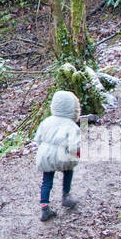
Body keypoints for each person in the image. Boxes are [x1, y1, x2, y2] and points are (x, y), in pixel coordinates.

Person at [33, 89, 81, 222]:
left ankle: (44, 207)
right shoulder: (72, 125)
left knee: (46, 181)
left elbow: (38, 139)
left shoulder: (47, 121)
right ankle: (66, 196)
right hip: (63, 156)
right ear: (73, 108)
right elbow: (75, 145)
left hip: (46, 156)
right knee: (68, 171)